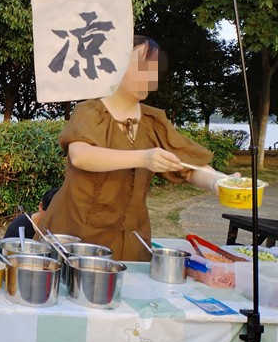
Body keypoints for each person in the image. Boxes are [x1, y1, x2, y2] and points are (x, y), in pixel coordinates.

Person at [38, 35, 227, 262]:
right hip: (76, 237)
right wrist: (143, 158)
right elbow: (80, 155)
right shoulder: (91, 110)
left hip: (132, 240)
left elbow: (188, 166)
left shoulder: (154, 121)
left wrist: (220, 182)